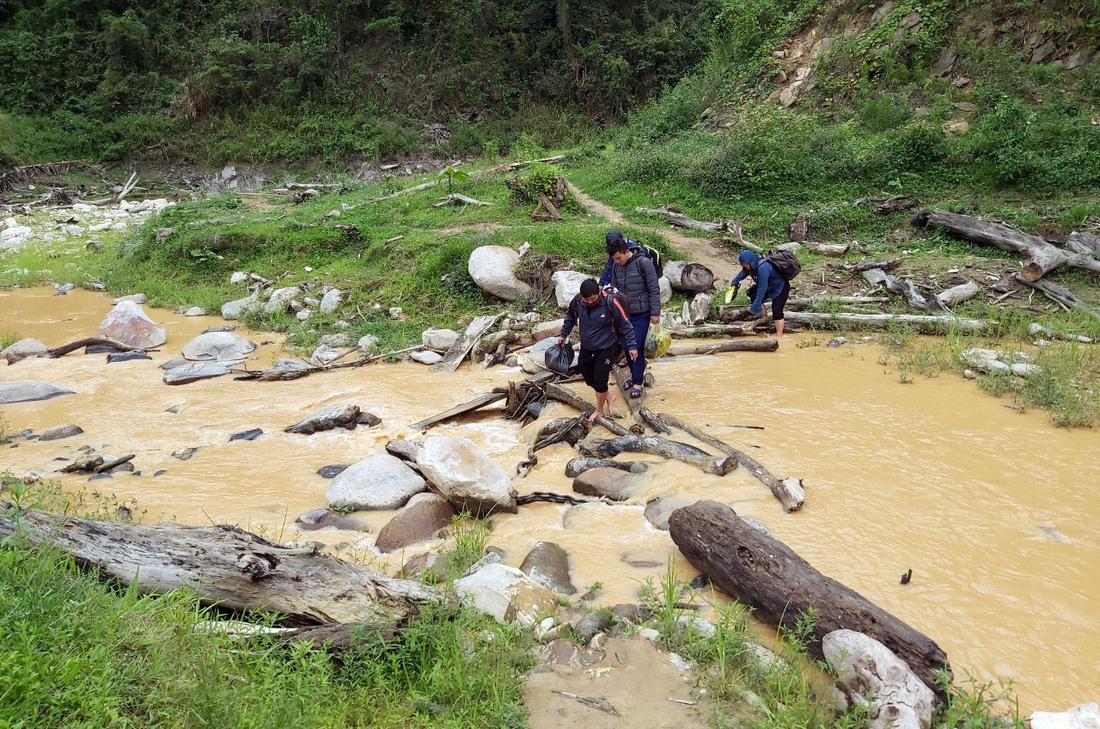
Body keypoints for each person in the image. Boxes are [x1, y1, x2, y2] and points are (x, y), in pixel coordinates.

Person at [558, 278, 639, 423]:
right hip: (587, 347)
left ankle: (599, 411)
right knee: (586, 374)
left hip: (607, 347)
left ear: (599, 293)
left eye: (592, 299)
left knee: (600, 379)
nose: (589, 302)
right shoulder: (578, 302)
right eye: (586, 299)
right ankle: (608, 395)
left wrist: (632, 346)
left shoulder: (610, 303)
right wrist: (563, 334)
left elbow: (626, 324)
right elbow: (570, 317)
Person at [606, 234, 661, 398]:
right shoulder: (616, 267)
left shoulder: (643, 263)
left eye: (618, 258)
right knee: (625, 346)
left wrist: (655, 313)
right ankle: (635, 375)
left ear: (626, 251)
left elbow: (653, 288)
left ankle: (637, 383)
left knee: (635, 347)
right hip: (624, 314)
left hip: (642, 314)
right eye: (614, 259)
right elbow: (614, 290)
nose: (617, 261)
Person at [729, 250, 790, 340]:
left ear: (751, 261)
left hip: (780, 287)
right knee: (752, 295)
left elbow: (762, 288)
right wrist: (735, 281)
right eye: (743, 265)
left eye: (746, 264)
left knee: (777, 311)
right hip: (769, 286)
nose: (745, 266)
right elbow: (742, 274)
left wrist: (757, 304)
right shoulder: (750, 267)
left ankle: (779, 336)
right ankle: (765, 320)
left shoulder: (763, 268)